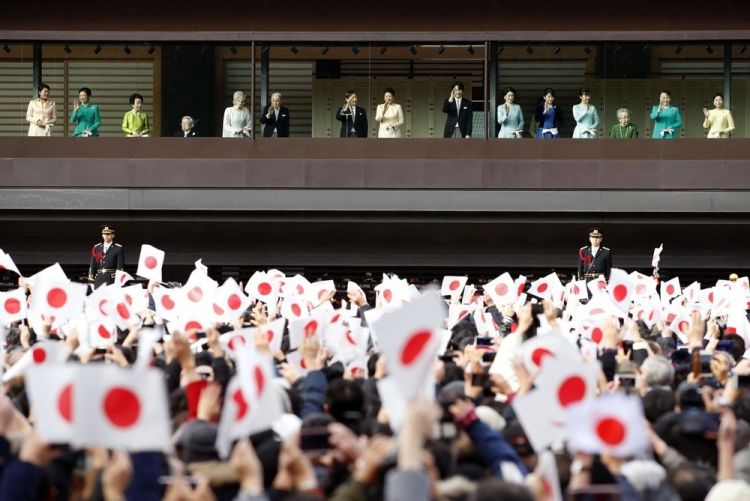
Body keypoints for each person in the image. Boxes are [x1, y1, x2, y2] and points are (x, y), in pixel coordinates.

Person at [88, 225, 125, 289]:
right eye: (104, 234)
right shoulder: (97, 248)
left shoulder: (118, 248)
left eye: (109, 234)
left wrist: (118, 280)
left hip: (111, 279)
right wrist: (91, 280)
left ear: (113, 235)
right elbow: (92, 265)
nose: (106, 236)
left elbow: (120, 266)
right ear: (102, 235)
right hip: (99, 278)